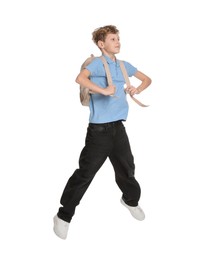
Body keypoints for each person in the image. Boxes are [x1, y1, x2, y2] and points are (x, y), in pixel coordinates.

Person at [53, 25, 152, 239]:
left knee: (127, 169)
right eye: (113, 39)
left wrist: (137, 89)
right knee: (85, 174)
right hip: (99, 132)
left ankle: (130, 201)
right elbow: (80, 78)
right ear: (101, 44)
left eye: (118, 38)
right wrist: (103, 90)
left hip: (118, 128)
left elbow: (147, 79)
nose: (118, 42)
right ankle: (63, 216)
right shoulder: (97, 64)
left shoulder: (124, 66)